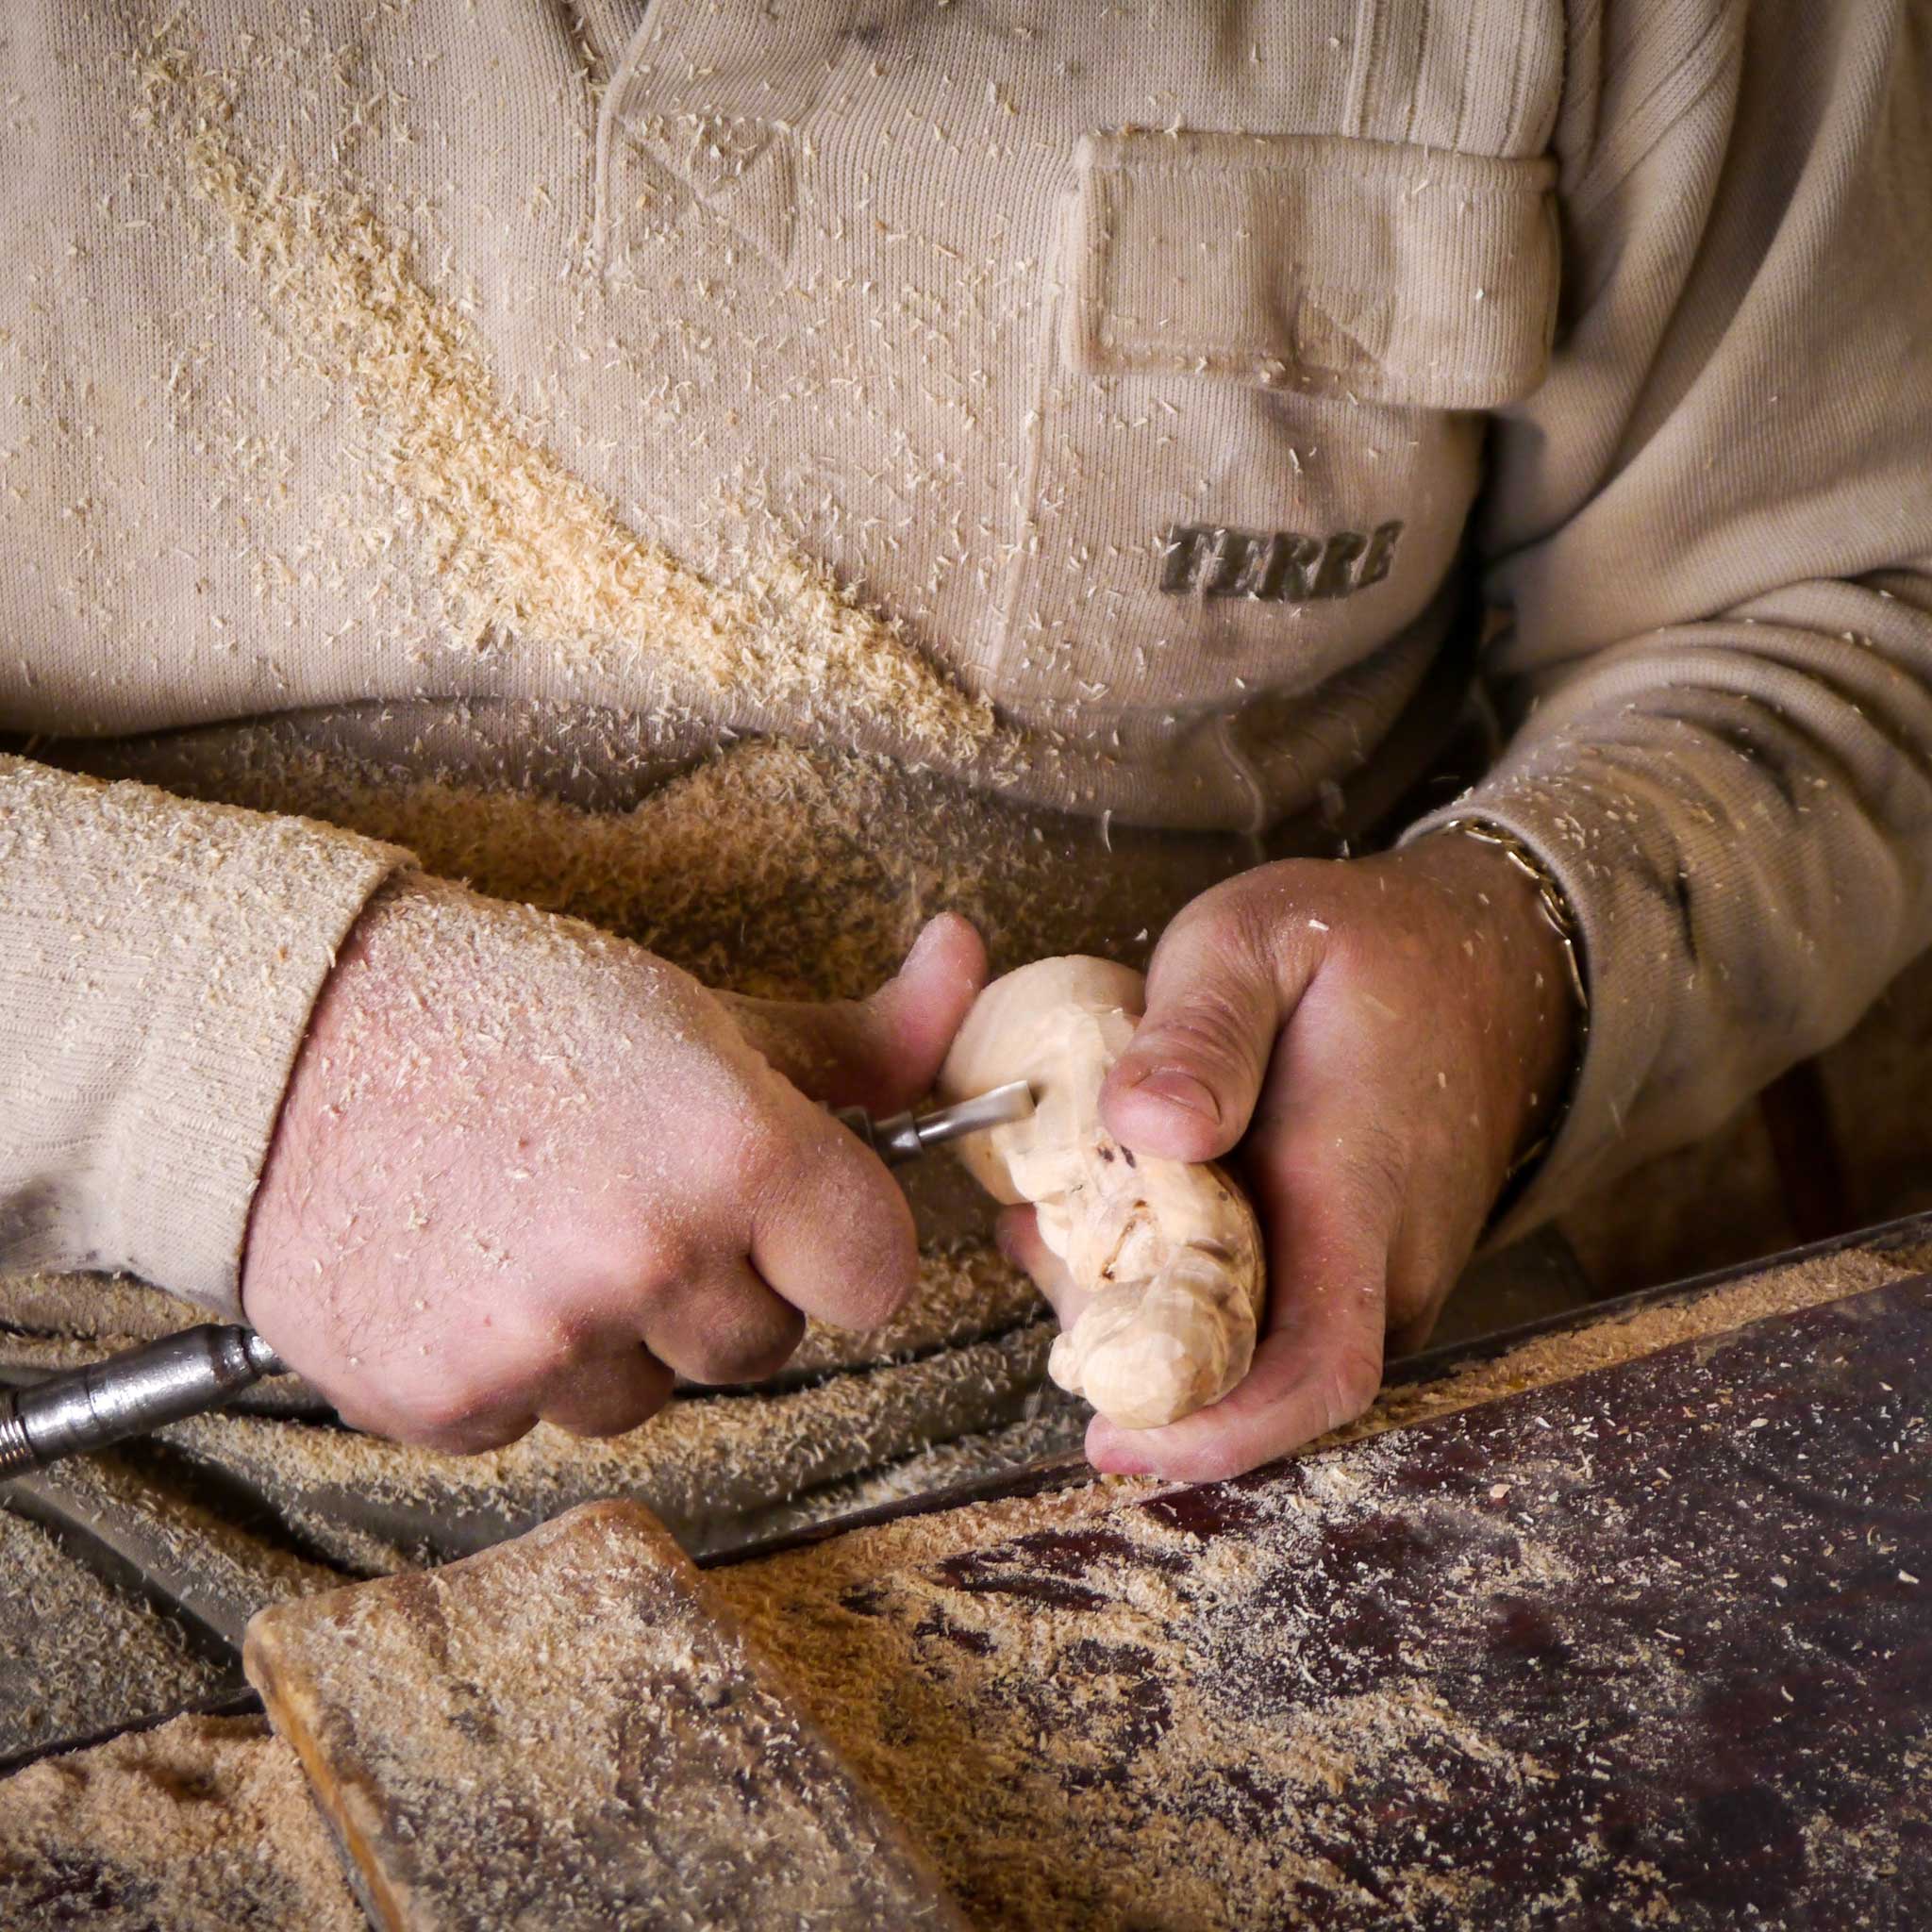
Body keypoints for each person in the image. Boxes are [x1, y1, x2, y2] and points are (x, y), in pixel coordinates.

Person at [3, 0, 1927, 1488]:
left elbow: (1849, 592)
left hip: (1238, 1410)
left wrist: (1521, 955)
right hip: (92, 1411)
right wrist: (231, 1051)